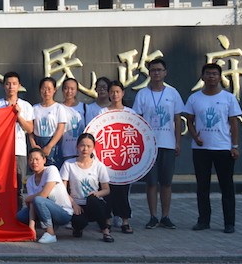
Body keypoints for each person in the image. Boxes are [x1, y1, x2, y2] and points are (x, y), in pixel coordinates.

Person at [183, 63, 242, 233]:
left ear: (219, 77)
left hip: (223, 147)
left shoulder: (228, 98)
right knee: (202, 186)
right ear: (202, 77)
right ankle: (203, 220)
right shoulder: (195, 98)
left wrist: (235, 146)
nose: (211, 77)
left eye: (215, 74)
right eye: (208, 73)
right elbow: (189, 120)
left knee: (227, 187)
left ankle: (229, 223)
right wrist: (195, 136)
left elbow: (234, 123)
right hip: (201, 149)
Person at [133, 58, 185, 229]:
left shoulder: (173, 93)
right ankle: (153, 216)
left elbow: (178, 120)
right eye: (153, 70)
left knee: (167, 182)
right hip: (149, 146)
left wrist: (178, 142)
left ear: (165, 72)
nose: (156, 73)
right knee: (151, 182)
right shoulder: (142, 94)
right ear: (149, 73)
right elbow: (137, 120)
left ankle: (166, 216)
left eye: (159, 70)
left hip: (168, 144)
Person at [0, 71, 34, 207]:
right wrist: (6, 114)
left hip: (19, 150)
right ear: (4, 86)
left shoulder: (26, 106)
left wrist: (18, 115)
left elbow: (30, 129)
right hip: (1, 151)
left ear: (19, 86)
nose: (11, 87)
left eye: (14, 84)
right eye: (8, 84)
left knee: (18, 187)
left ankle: (18, 216)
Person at [60, 133, 114, 242]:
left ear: (93, 148)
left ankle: (105, 231)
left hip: (93, 203)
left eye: (89, 146)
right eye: (82, 145)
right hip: (77, 205)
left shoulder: (99, 166)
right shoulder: (68, 164)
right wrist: (73, 204)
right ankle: (78, 228)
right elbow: (62, 189)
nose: (85, 149)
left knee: (93, 200)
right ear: (77, 146)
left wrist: (97, 194)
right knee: (78, 222)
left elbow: (106, 189)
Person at [99, 80, 136, 233]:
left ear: (122, 93)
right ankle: (106, 220)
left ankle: (125, 221)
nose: (114, 94)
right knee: (108, 191)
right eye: (112, 92)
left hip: (124, 158)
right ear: (108, 93)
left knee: (123, 191)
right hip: (107, 158)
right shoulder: (103, 113)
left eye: (117, 92)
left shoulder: (130, 113)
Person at [17, 148, 73, 244]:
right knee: (20, 216)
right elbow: (32, 205)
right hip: (43, 207)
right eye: (31, 159)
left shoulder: (51, 170)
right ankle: (43, 227)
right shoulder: (30, 180)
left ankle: (50, 233)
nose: (34, 162)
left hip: (63, 212)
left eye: (37, 159)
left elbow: (43, 195)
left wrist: (29, 198)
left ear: (44, 160)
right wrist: (31, 227)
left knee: (38, 199)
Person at [29, 77, 68, 167]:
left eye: (49, 89)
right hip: (38, 143)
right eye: (44, 88)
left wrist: (49, 146)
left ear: (54, 90)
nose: (46, 92)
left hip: (53, 143)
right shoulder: (35, 108)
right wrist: (33, 144)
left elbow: (60, 129)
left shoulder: (58, 107)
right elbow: (30, 129)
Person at [60, 77, 87, 161]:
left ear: (77, 91)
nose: (69, 91)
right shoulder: (58, 107)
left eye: (72, 89)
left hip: (82, 152)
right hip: (64, 152)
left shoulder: (84, 107)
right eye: (66, 88)